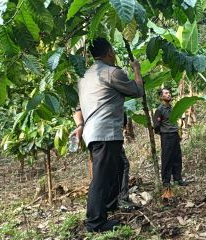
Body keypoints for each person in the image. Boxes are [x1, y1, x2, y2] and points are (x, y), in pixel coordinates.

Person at [72, 38, 143, 232]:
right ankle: (95, 222)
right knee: (101, 177)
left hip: (94, 133)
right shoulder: (112, 72)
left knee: (116, 168)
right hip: (106, 132)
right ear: (110, 51)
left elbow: (78, 108)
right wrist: (136, 69)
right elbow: (138, 91)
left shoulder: (84, 76)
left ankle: (109, 207)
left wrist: (79, 125)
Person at [153, 88, 187, 187]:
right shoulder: (159, 110)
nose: (169, 94)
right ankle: (166, 181)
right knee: (167, 158)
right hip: (166, 136)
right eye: (166, 93)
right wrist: (163, 133)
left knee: (177, 157)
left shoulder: (172, 108)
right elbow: (156, 125)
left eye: (169, 93)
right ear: (161, 97)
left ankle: (178, 179)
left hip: (175, 134)